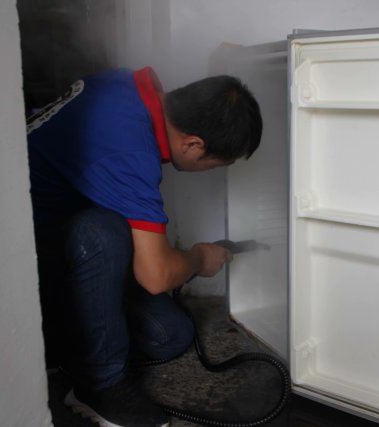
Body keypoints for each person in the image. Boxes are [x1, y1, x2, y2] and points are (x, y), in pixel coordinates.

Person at [27, 66, 262, 427]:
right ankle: (98, 386)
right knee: (102, 233)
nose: (212, 171)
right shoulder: (131, 150)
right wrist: (199, 258)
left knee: (170, 335)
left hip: (62, 247)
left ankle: (64, 347)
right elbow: (156, 276)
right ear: (193, 145)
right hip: (24, 261)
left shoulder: (128, 86)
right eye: (217, 164)